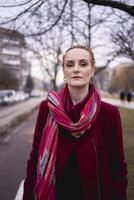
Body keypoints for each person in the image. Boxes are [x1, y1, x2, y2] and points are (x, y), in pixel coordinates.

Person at [23, 44, 127, 200]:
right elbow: (35, 158)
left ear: (92, 71)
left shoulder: (109, 113)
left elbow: (117, 166)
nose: (76, 69)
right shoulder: (47, 108)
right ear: (64, 72)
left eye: (83, 64)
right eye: (70, 64)